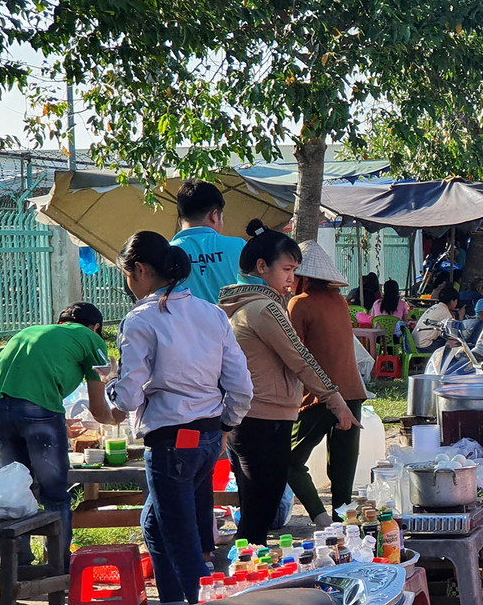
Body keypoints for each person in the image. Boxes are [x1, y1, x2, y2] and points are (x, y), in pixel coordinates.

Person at [103, 231, 253, 603]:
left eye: (126, 275)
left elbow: (128, 395)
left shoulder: (140, 319)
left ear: (138, 270)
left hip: (171, 443)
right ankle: (171, 598)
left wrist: (109, 386)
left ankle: (198, 597)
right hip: (205, 438)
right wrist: (227, 425)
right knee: (154, 525)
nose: (128, 284)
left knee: (185, 546)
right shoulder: (211, 313)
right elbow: (241, 385)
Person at [219, 219, 360, 545]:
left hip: (253, 419)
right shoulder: (265, 308)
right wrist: (334, 399)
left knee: (255, 512)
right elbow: (300, 357)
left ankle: (245, 576)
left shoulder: (240, 306)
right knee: (259, 514)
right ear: (261, 266)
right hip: (263, 422)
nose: (291, 278)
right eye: (286, 269)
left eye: (295, 270)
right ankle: (245, 584)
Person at [0, 302, 109, 567]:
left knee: (15, 488)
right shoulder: (90, 339)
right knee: (54, 493)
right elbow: (99, 409)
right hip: (37, 409)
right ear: (96, 327)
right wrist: (118, 416)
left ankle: (19, 565)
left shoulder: (31, 332)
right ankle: (58, 568)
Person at [285, 241, 371, 527]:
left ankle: (321, 519)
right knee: (343, 477)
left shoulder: (299, 303)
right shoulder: (339, 300)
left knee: (288, 462)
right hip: (353, 395)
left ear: (303, 276)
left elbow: (293, 355)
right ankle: (343, 528)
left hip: (320, 398)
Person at [170, 180, 246, 304]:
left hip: (179, 324)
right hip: (232, 323)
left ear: (179, 221)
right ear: (214, 215)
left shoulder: (165, 253)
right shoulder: (240, 247)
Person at [413, 286, 459, 351]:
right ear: (452, 301)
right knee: (452, 344)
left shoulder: (435, 307)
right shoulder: (444, 311)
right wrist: (461, 316)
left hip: (414, 343)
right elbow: (453, 332)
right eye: (456, 301)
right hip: (424, 345)